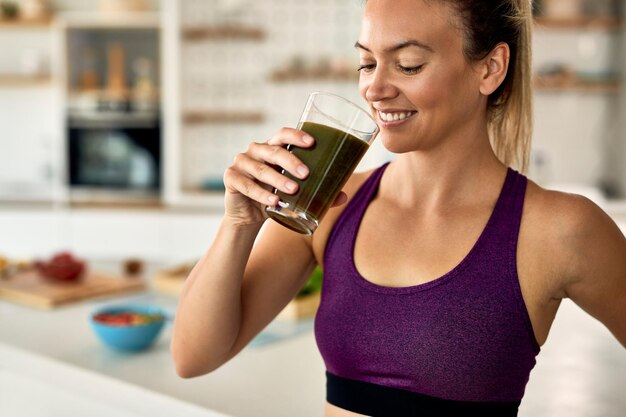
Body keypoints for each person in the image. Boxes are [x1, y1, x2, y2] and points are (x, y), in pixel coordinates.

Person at [171, 0, 626, 415]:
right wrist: (238, 224)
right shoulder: (329, 206)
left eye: (408, 65)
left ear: (490, 68)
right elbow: (193, 356)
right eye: (367, 62)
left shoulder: (560, 229)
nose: (374, 88)